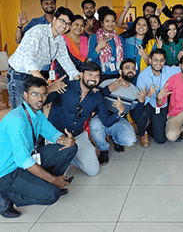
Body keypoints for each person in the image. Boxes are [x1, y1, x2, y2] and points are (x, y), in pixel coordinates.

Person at [0, 77, 77, 218]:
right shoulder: (17, 121)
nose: (40, 98)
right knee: (52, 195)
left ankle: (45, 183)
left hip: (25, 161)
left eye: (43, 94)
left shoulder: (36, 113)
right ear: (25, 95)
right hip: (7, 173)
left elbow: (53, 134)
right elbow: (24, 161)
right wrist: (54, 180)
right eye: (35, 94)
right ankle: (6, 195)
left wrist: (67, 140)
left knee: (70, 148)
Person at [47, 62, 125, 177]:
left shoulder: (97, 97)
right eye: (90, 75)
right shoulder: (65, 86)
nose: (93, 79)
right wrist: (49, 89)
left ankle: (71, 154)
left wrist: (120, 112)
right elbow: (40, 103)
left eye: (97, 76)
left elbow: (107, 121)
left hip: (78, 136)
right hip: (56, 135)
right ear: (81, 74)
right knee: (51, 172)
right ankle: (66, 154)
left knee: (93, 171)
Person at [8, 6, 81, 109]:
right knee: (21, 112)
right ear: (54, 19)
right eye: (62, 21)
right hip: (19, 74)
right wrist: (46, 85)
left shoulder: (60, 40)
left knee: (36, 110)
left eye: (68, 24)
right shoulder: (38, 31)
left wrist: (80, 81)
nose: (65, 26)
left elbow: (67, 63)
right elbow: (28, 60)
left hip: (34, 75)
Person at [136, 49, 183, 146]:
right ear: (150, 60)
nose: (158, 63)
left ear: (165, 61)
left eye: (161, 60)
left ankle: (151, 126)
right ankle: (143, 133)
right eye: (155, 60)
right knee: (141, 114)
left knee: (161, 140)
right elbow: (138, 102)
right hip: (148, 104)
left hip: (162, 105)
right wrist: (148, 94)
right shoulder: (143, 76)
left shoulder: (169, 70)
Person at [90, 59, 138, 165]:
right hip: (102, 117)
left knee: (130, 140)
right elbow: (92, 99)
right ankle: (103, 149)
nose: (131, 71)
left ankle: (116, 139)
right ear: (120, 71)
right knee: (95, 124)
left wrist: (142, 102)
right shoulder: (107, 83)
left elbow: (134, 113)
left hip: (120, 118)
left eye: (133, 69)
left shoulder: (135, 92)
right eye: (127, 68)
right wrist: (106, 90)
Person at [88, 6, 125, 82]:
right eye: (107, 21)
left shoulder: (119, 39)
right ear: (102, 23)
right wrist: (99, 47)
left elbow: (124, 58)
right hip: (100, 76)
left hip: (117, 75)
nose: (110, 24)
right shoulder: (94, 37)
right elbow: (89, 60)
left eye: (113, 21)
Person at [54, 15, 88, 81]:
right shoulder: (61, 39)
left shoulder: (85, 40)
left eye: (82, 26)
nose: (79, 27)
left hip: (82, 77)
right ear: (70, 25)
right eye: (76, 24)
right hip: (64, 75)